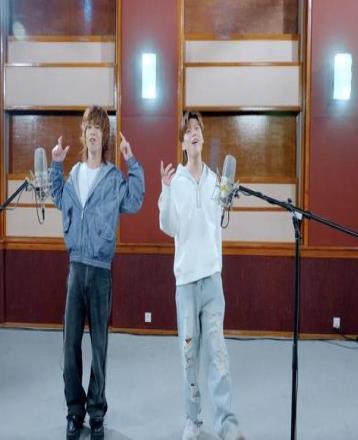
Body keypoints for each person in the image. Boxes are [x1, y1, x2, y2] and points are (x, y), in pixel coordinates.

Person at [50, 105, 145, 440]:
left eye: (99, 127)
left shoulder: (113, 177)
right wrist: (56, 165)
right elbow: (59, 199)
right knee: (70, 345)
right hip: (76, 268)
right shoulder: (74, 174)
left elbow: (134, 201)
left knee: (99, 346)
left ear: (104, 136)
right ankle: (74, 411)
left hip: (101, 270)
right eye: (89, 126)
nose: (93, 131)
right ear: (84, 133)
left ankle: (96, 411)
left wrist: (132, 162)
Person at [158, 111, 244, 440]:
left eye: (198, 129)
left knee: (218, 353)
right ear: (183, 142)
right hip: (185, 283)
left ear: (202, 138)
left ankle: (226, 423)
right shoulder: (176, 182)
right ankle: (193, 420)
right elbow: (169, 227)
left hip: (212, 280)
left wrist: (227, 197)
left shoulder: (214, 181)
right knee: (189, 355)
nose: (194, 133)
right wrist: (165, 191)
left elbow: (219, 222)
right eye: (188, 130)